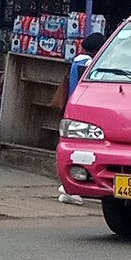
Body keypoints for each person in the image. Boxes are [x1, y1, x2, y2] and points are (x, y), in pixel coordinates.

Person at [53, 31, 107, 206]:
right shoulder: (91, 64)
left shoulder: (77, 60)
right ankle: (70, 188)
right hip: (84, 111)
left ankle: (67, 188)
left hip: (71, 106)